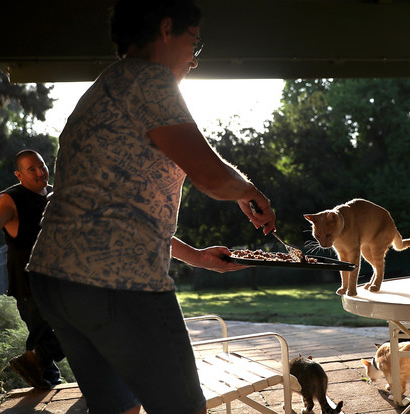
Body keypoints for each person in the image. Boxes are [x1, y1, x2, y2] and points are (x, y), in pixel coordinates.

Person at [25, 1, 277, 413]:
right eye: (193, 42)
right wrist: (251, 191)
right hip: (117, 283)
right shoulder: (150, 80)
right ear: (166, 29)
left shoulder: (105, 87)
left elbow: (114, 209)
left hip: (56, 278)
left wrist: (195, 256)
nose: (194, 61)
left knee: (118, 408)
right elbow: (210, 176)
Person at [0, 149, 66, 390]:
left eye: (41, 165)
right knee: (55, 333)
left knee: (72, 326)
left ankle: (39, 371)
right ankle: (40, 372)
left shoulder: (56, 193)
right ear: (19, 175)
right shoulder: (10, 199)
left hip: (61, 278)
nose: (39, 172)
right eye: (31, 169)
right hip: (29, 282)